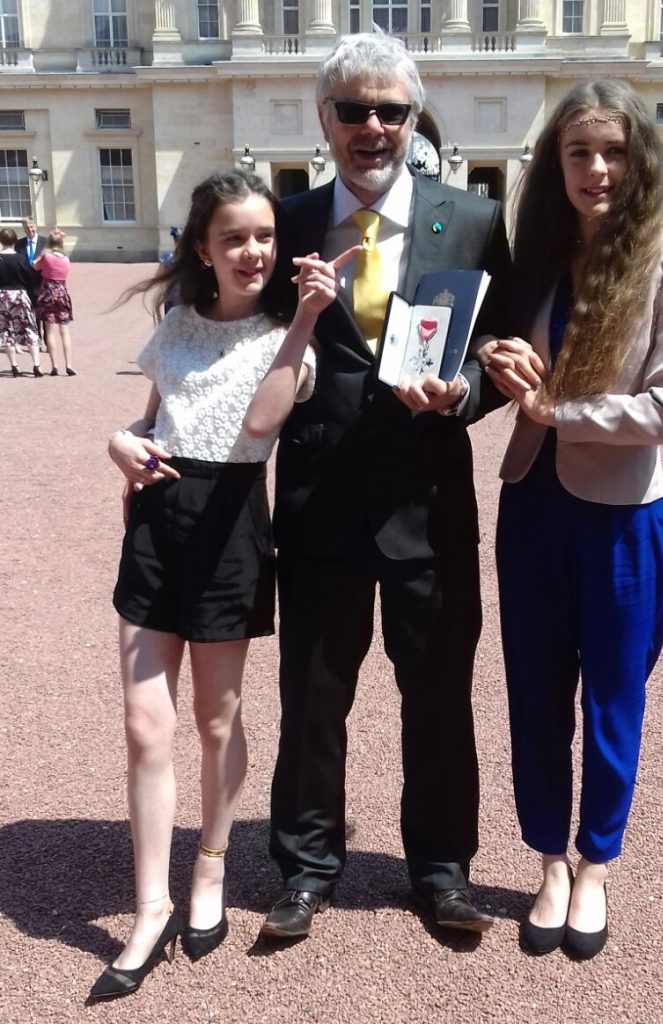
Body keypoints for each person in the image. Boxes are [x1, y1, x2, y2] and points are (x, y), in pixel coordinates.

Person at [259, 30, 512, 942]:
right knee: (312, 697)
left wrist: (465, 394)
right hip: (319, 496)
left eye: (392, 111)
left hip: (427, 498)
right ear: (324, 117)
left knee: (439, 695)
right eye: (354, 110)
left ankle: (442, 870)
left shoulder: (472, 219)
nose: (373, 127)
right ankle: (306, 866)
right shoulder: (283, 221)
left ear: (414, 118)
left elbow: (503, 346)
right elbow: (235, 343)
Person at [89, 169, 355, 1002]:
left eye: (265, 236)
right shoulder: (175, 323)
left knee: (215, 720)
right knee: (143, 724)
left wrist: (306, 318)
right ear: (202, 248)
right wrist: (120, 442)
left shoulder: (288, 330)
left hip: (233, 523)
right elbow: (152, 418)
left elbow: (261, 422)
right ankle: (149, 906)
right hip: (156, 524)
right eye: (233, 237)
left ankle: (210, 863)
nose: (252, 251)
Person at [482, 80, 663, 959]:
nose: (597, 169)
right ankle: (548, 858)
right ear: (557, 164)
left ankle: (595, 864)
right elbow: (510, 349)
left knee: (615, 696)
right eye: (579, 152)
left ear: (641, 160)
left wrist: (555, 410)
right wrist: (497, 353)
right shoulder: (542, 255)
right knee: (534, 693)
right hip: (531, 501)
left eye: (614, 151)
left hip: (621, 516)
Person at [0, 227, 44, 377]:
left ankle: (14, 365)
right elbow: (30, 279)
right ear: (15, 241)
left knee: (6, 331)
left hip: (2, 295)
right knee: (30, 329)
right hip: (19, 294)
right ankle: (36, 365)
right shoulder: (21, 258)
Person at [33, 229, 75, 375]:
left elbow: (35, 265)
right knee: (65, 331)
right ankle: (69, 365)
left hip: (48, 293)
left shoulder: (46, 256)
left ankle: (54, 366)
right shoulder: (66, 259)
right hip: (62, 293)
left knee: (50, 331)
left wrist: (43, 254)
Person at [14, 216, 45, 346]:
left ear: (36, 226)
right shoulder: (19, 244)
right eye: (26, 228)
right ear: (23, 229)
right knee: (32, 312)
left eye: (31, 227)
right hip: (27, 283)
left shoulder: (45, 242)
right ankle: (37, 337)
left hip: (42, 282)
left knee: (44, 312)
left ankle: (47, 339)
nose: (29, 229)